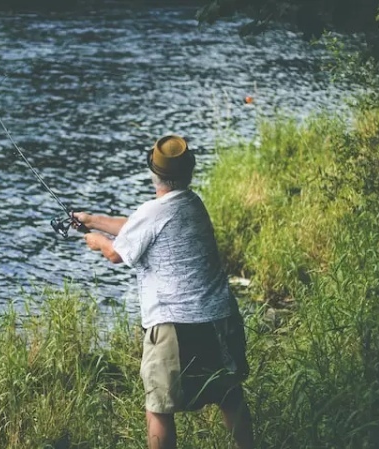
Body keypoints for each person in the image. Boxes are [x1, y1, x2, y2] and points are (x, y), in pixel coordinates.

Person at [73, 135, 254, 449]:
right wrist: (92, 219)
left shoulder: (153, 211)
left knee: (158, 408)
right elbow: (137, 225)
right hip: (219, 318)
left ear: (152, 173)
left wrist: (95, 239)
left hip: (175, 324)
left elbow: (116, 254)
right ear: (188, 172)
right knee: (228, 394)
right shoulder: (192, 203)